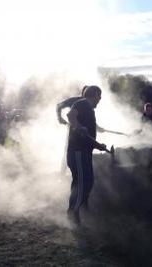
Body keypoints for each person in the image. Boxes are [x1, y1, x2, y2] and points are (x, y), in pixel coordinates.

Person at [66, 85, 107, 226]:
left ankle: (82, 206)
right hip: (77, 151)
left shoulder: (89, 109)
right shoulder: (82, 103)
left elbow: (87, 136)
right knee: (82, 182)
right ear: (94, 94)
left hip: (84, 151)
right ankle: (73, 212)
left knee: (87, 181)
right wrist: (77, 126)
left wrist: (98, 145)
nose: (100, 99)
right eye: (99, 96)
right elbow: (70, 115)